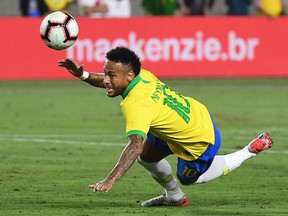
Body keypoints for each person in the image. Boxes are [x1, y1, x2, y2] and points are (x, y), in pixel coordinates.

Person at [57, 46, 273, 207]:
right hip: (190, 115)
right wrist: (82, 74)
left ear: (129, 75)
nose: (105, 80)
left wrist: (110, 179)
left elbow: (134, 146)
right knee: (148, 158)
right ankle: (174, 197)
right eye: (106, 74)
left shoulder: (136, 104)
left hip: (199, 139)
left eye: (111, 75)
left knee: (188, 179)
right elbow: (110, 81)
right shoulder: (143, 76)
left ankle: (248, 151)